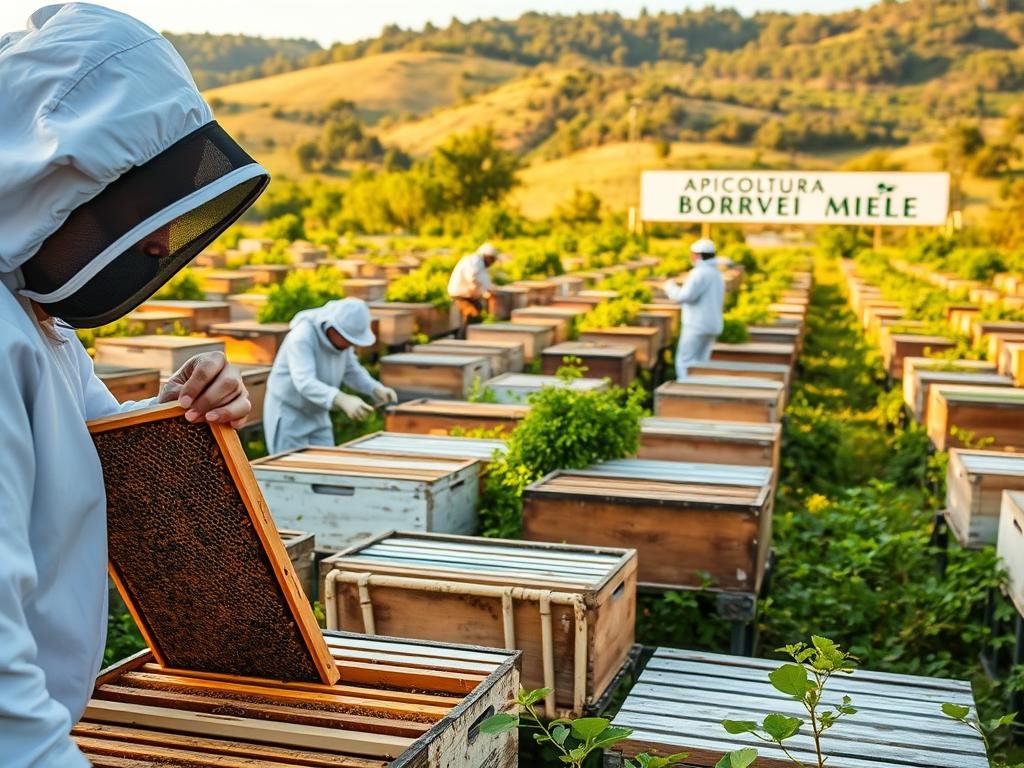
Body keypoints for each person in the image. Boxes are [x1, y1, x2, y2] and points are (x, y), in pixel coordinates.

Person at [0, 5, 269, 765]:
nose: (158, 238)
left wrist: (184, 407)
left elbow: (93, 456)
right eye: (141, 197)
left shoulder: (34, 322)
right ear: (53, 176)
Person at [264, 298, 397, 454]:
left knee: (326, 465)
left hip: (318, 413)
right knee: (288, 473)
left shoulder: (342, 343)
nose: (350, 345)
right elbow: (305, 382)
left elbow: (352, 370)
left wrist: (374, 388)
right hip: (290, 415)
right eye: (348, 339)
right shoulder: (302, 336)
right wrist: (340, 399)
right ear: (334, 329)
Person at [663, 238, 726, 379]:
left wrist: (669, 286)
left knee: (685, 362)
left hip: (696, 325)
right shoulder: (716, 273)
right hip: (713, 325)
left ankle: (686, 396)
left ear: (697, 255)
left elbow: (684, 296)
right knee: (701, 365)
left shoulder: (699, 272)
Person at [448, 242, 499, 339]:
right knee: (472, 314)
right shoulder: (474, 260)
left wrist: (487, 290)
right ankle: (462, 340)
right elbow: (472, 278)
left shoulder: (479, 263)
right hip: (461, 295)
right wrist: (482, 292)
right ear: (487, 256)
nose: (492, 263)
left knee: (478, 310)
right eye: (491, 259)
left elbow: (483, 280)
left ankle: (471, 338)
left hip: (468, 296)